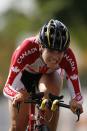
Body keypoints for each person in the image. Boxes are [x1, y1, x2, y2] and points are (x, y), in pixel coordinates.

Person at [3, 19, 83, 131]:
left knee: (52, 96)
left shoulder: (68, 56)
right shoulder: (27, 48)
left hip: (49, 76)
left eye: (60, 51)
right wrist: (15, 95)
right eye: (51, 50)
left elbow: (77, 93)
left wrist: (76, 102)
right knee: (18, 126)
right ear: (41, 46)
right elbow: (8, 87)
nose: (56, 56)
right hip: (24, 77)